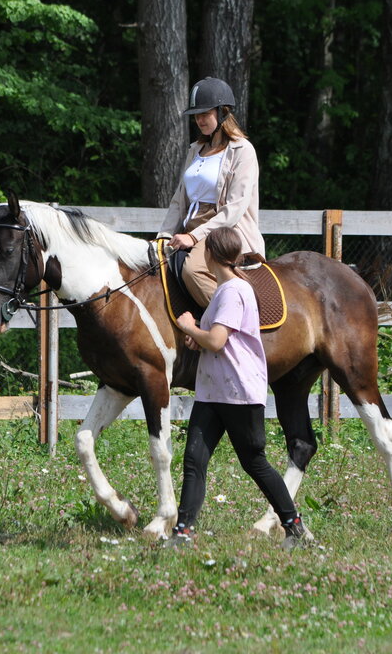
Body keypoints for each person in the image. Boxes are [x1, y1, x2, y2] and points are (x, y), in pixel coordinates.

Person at [165, 226, 307, 551]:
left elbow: (217, 340)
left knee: (254, 462)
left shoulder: (233, 291)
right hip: (214, 391)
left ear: (210, 254)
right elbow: (216, 338)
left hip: (238, 393)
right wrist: (198, 336)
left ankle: (294, 527)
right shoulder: (223, 289)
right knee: (194, 460)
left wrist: (189, 327)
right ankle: (183, 533)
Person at [157, 77, 265, 309]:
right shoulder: (195, 150)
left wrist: (194, 237)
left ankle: (231, 325)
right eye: (196, 115)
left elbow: (235, 208)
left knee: (193, 269)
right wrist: (163, 237)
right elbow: (179, 201)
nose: (199, 119)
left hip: (224, 232)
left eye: (205, 113)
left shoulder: (242, 150)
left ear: (223, 112)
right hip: (190, 226)